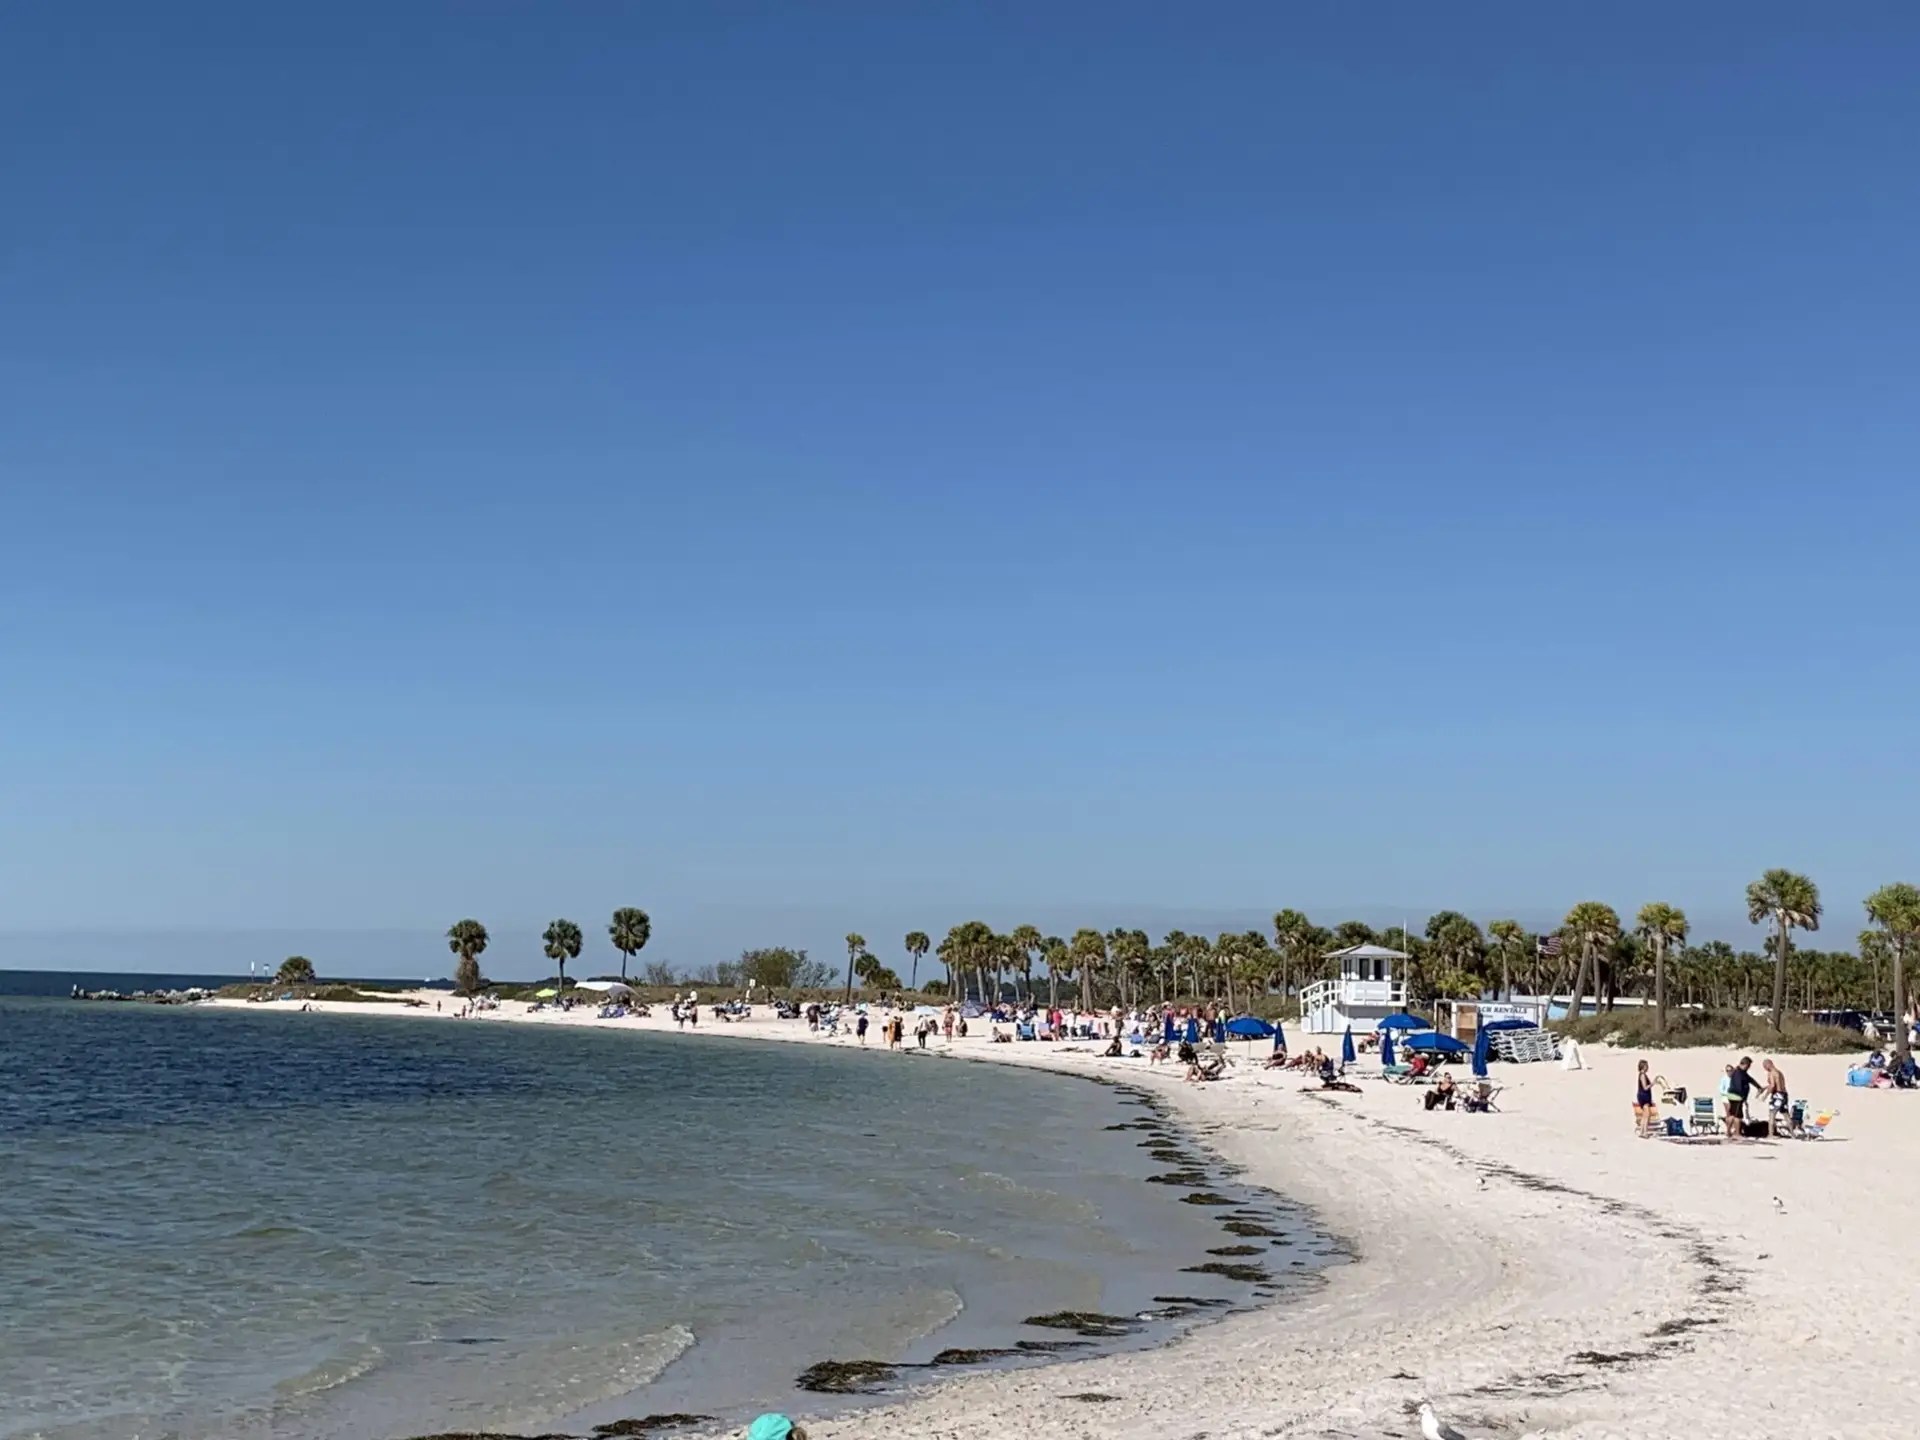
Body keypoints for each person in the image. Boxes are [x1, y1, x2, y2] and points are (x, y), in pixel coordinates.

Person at [1724, 1055, 1754, 1137]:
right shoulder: (1738, 1073)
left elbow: (1750, 1079)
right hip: (1737, 1096)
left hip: (1732, 1095)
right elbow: (1738, 1086)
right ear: (1744, 1064)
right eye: (1748, 1066)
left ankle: (1728, 1132)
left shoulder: (1741, 1072)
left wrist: (1758, 1087)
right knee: (1737, 1116)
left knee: (1732, 1115)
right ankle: (1737, 1133)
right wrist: (1743, 1096)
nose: (1748, 1068)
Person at [1761, 1058, 1790, 1134]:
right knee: (1786, 1114)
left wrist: (1765, 1096)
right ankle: (1793, 1134)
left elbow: (1773, 1085)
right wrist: (1765, 1087)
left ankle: (1771, 1134)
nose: (1765, 1069)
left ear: (1768, 1065)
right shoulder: (1779, 1072)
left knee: (1771, 1115)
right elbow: (1778, 1084)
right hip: (1784, 1094)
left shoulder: (1771, 1073)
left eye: (1764, 1067)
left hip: (1777, 1095)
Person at [1634, 1058, 1657, 1138]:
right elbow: (1645, 1087)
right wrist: (1653, 1083)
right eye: (1646, 1066)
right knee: (1647, 1115)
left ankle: (1642, 1132)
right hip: (1643, 1095)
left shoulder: (1641, 1074)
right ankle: (1644, 1132)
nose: (1648, 1067)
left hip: (1642, 1095)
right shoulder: (1643, 1075)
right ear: (1643, 1067)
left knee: (1645, 1115)